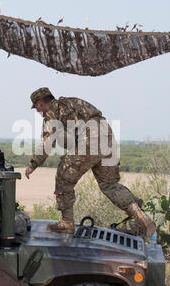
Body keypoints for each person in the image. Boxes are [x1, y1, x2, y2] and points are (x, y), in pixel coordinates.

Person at [25, 87, 156, 237]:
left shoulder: (51, 114)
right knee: (110, 185)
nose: (37, 111)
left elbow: (48, 142)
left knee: (63, 177)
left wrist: (33, 164)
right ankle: (140, 216)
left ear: (40, 103)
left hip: (89, 139)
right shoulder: (72, 102)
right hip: (107, 136)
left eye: (36, 107)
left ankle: (66, 222)